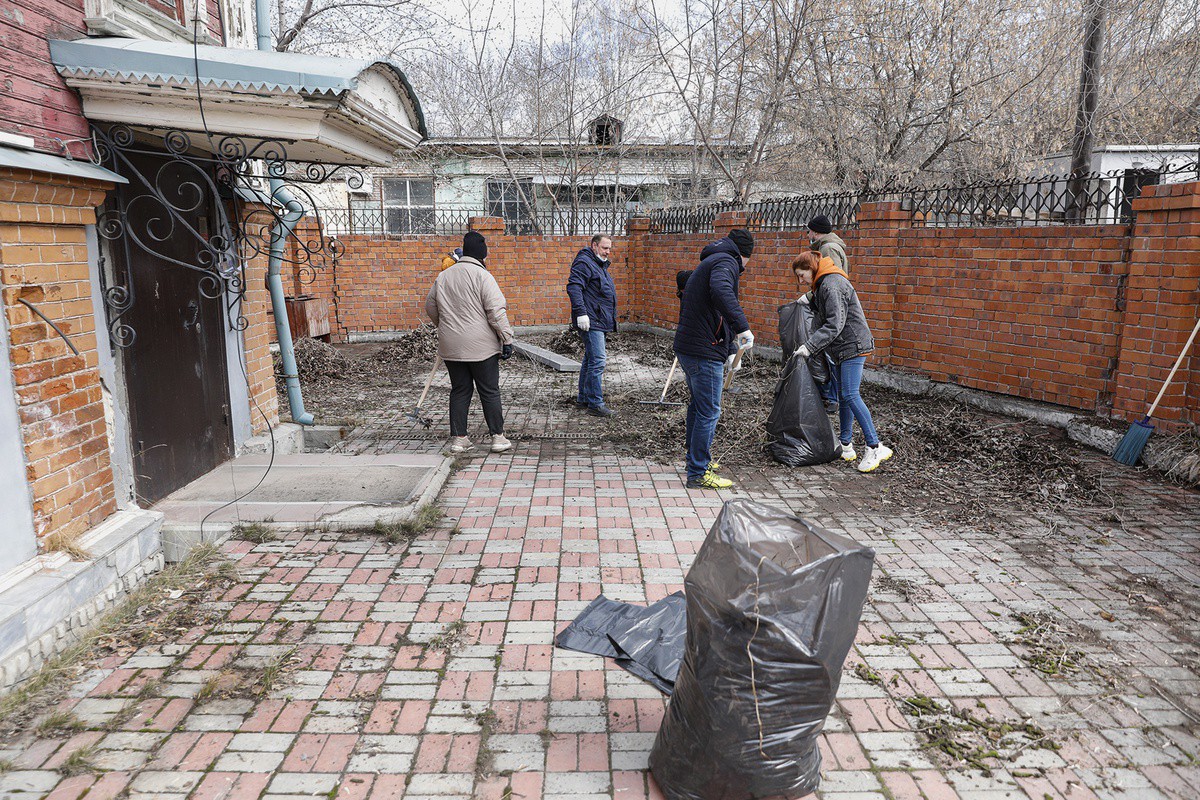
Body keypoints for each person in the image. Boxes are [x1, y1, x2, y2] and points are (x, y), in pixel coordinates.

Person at [792, 251, 892, 473]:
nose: (801, 281)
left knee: (850, 394)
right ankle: (846, 445)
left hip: (853, 345)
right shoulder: (822, 285)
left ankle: (874, 446)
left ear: (812, 268)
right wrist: (810, 299)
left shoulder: (832, 284)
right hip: (841, 348)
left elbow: (835, 323)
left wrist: (809, 347)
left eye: (802, 275)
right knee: (844, 395)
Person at [673, 229, 756, 490]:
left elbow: (716, 310)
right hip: (702, 351)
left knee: (699, 406)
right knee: (709, 411)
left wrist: (731, 348)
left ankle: (695, 461)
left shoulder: (712, 260)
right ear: (745, 255)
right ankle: (698, 471)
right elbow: (722, 292)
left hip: (693, 347)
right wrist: (743, 327)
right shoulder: (726, 262)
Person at [424, 231, 514, 455]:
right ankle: (497, 438)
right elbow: (496, 312)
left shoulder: (443, 276)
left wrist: (444, 327)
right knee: (489, 390)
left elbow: (430, 307)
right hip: (481, 347)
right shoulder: (483, 276)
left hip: (451, 346)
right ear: (482, 254)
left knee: (460, 390)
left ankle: (459, 439)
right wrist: (507, 338)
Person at [566, 234, 618, 416]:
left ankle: (584, 399)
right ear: (594, 246)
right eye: (605, 248)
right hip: (591, 320)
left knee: (590, 359)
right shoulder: (584, 263)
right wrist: (581, 313)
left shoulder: (597, 264)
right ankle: (595, 404)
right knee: (598, 361)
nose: (608, 252)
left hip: (598, 319)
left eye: (609, 248)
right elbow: (574, 287)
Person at [806, 215, 848, 413]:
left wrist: (810, 295)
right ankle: (831, 396)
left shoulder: (828, 248)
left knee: (829, 352)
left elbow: (832, 280)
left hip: (831, 306)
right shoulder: (827, 245)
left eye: (809, 231)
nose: (808, 235)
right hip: (828, 304)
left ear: (815, 231)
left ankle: (833, 398)